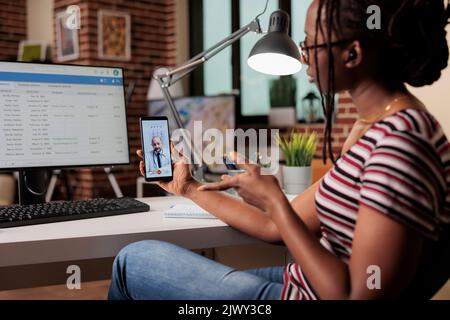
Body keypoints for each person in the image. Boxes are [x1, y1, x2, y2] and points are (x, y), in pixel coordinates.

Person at [109, 0, 450, 300]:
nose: (303, 58)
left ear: (353, 54)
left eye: (311, 44)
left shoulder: (400, 142)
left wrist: (275, 200)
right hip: (301, 284)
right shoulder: (376, 130)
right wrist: (187, 187)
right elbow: (274, 227)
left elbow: (353, 295)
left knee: (133, 260)